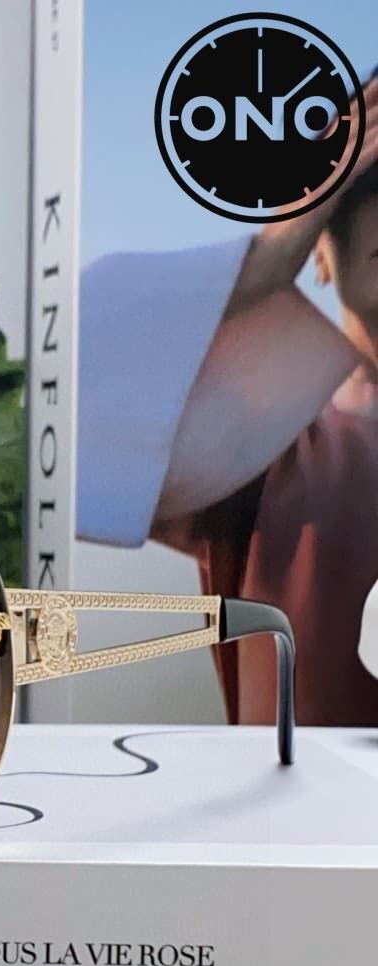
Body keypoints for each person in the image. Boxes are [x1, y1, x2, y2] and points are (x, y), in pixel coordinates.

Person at [79, 75, 378, 726]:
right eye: (363, 182)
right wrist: (263, 261)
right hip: (297, 793)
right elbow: (47, 412)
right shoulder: (262, 445)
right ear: (319, 248)